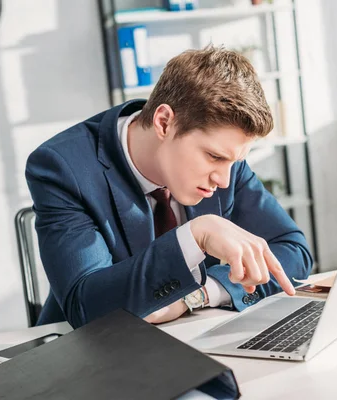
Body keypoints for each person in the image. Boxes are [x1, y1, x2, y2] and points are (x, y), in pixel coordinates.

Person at [25, 45, 314, 328]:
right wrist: (194, 236)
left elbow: (293, 252)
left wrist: (198, 295)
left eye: (235, 161)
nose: (224, 180)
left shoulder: (226, 160)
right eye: (214, 157)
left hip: (197, 336)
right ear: (164, 123)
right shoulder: (63, 168)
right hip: (95, 356)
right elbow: (86, 307)